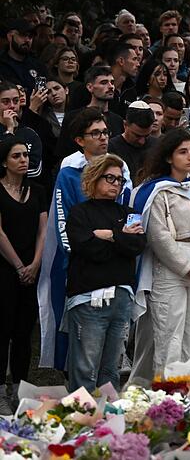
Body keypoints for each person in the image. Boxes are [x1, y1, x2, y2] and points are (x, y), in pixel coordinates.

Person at [37, 108, 133, 371]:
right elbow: (63, 224)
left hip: (115, 269)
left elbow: (128, 222)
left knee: (110, 357)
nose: (103, 138)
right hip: (80, 266)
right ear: (80, 140)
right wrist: (85, 248)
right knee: (82, 352)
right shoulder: (69, 171)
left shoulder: (120, 167)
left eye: (105, 132)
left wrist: (113, 239)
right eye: (95, 133)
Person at [129, 128, 190, 379]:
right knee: (170, 335)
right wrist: (185, 267)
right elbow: (158, 236)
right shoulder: (158, 192)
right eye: (183, 152)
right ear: (169, 157)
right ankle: (167, 397)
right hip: (170, 269)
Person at [64, 153, 146, 391]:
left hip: (121, 298)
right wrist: (120, 236)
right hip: (89, 299)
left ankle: (107, 425)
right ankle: (80, 420)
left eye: (120, 180)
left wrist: (106, 235)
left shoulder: (128, 211)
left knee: (112, 369)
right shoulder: (80, 212)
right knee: (85, 368)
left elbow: (137, 246)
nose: (116, 184)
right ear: (94, 178)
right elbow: (87, 248)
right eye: (110, 178)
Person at [0, 138, 47, 413]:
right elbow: (0, 233)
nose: (23, 160)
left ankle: (20, 387)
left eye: (25, 155)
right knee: (2, 330)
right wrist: (19, 266)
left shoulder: (38, 190)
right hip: (6, 268)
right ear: (5, 161)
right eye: (16, 156)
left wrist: (35, 263)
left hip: (32, 267)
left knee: (24, 332)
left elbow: (43, 229)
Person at [108, 101, 157, 176]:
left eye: (147, 136)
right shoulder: (111, 148)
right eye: (137, 136)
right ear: (125, 125)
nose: (142, 142)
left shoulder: (158, 145)